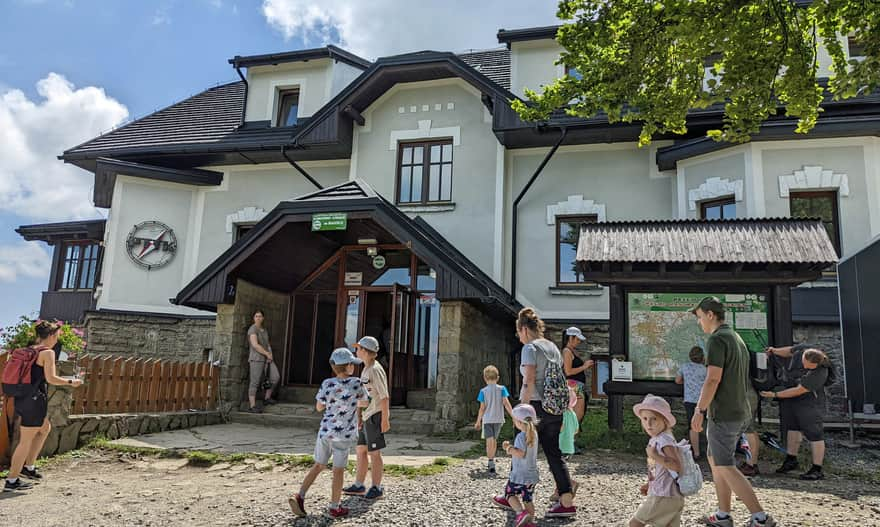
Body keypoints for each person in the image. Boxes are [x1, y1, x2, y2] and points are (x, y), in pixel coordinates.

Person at [690, 297, 776, 527]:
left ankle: (760, 517)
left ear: (710, 315)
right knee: (714, 459)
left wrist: (699, 410)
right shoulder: (735, 337)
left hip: (724, 413)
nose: (699, 322)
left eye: (699, 317)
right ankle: (723, 514)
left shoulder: (717, 340)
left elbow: (713, 379)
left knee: (725, 464)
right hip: (740, 410)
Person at [288, 348, 368, 518]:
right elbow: (365, 402)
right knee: (338, 470)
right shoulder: (357, 383)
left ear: (333, 367)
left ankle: (300, 495)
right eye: (352, 364)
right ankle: (334, 507)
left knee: (318, 465)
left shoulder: (327, 383)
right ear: (349, 367)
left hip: (325, 432)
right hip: (343, 436)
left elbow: (319, 407)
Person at [5, 320, 83, 492]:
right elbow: (51, 379)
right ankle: (11, 480)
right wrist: (72, 381)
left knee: (44, 428)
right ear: (52, 336)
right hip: (34, 401)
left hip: (22, 398)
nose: (57, 340)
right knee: (25, 442)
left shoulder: (28, 350)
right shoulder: (47, 353)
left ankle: (29, 467)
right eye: (57, 336)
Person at [514, 307, 576, 518]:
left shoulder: (530, 348)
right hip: (555, 407)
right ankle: (566, 502)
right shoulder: (552, 347)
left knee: (522, 450)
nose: (519, 338)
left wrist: (520, 411)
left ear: (523, 329)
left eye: (518, 333)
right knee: (553, 453)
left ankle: (512, 494)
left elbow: (529, 381)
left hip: (536, 406)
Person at [761, 347, 831, 480]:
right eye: (804, 362)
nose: (804, 366)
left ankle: (817, 468)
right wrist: (774, 351)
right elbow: (790, 350)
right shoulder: (804, 351)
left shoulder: (820, 372)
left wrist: (775, 394)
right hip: (793, 400)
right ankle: (791, 460)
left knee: (814, 434)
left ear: (816, 364)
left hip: (810, 402)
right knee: (792, 428)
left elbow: (799, 390)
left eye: (808, 366)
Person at [343, 336, 390, 500]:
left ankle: (377, 487)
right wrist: (358, 416)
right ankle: (359, 485)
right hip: (365, 415)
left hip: (375, 415)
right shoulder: (365, 369)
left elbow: (384, 396)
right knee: (361, 450)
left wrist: (385, 419)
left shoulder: (375, 370)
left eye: (359, 348)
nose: (356, 351)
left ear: (367, 351)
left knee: (374, 452)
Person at [629, 394, 684, 527]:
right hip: (671, 495)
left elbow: (677, 466)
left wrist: (655, 456)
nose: (648, 423)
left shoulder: (664, 440)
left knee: (635, 523)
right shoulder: (657, 439)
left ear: (665, 420)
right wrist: (649, 484)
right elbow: (655, 468)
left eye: (654, 419)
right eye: (645, 418)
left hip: (663, 495)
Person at [493, 404, 541, 527]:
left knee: (509, 494)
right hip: (531, 476)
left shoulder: (521, 436)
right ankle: (530, 522)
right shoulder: (533, 434)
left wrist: (508, 448)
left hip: (519, 476)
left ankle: (520, 513)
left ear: (519, 422)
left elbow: (520, 453)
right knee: (527, 499)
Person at [474, 365, 514, 474]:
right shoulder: (502, 389)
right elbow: (506, 403)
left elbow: (482, 408)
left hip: (487, 420)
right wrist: (513, 415)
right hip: (498, 419)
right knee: (494, 440)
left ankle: (490, 461)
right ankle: (492, 459)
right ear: (498, 378)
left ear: (484, 378)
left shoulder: (483, 391)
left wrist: (478, 421)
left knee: (489, 441)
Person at [675, 346, 707, 460]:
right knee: (707, 425)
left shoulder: (685, 367)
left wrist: (687, 381)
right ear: (702, 357)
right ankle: (710, 452)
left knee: (693, 426)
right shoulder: (705, 369)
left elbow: (677, 380)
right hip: (703, 400)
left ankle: (696, 453)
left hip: (689, 400)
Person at [247, 309, 280, 413]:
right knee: (255, 382)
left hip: (267, 358)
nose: (258, 318)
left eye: (260, 316)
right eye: (256, 316)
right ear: (254, 318)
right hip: (256, 358)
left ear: (263, 318)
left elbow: (267, 344)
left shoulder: (264, 329)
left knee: (275, 377)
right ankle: (252, 406)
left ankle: (267, 398)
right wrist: (266, 353)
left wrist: (270, 355)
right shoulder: (252, 329)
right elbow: (255, 345)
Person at [561, 327, 593, 424]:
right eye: (577, 339)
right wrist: (584, 366)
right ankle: (570, 437)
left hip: (576, 385)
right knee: (576, 416)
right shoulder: (567, 351)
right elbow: (568, 371)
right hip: (573, 385)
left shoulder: (571, 351)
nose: (579, 342)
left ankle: (571, 437)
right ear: (571, 338)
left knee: (577, 415)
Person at [559, 384, 579, 457]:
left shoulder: (562, 414)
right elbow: (576, 430)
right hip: (570, 448)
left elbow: (561, 427)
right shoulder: (573, 414)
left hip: (561, 446)